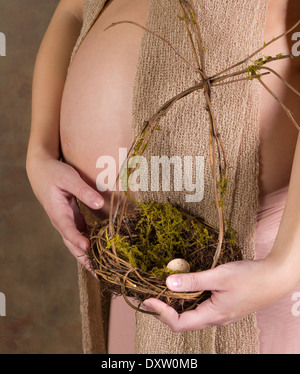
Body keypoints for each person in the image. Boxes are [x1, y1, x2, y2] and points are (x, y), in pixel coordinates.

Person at [26, 0, 300, 354]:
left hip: (262, 266)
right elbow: (73, 11)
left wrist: (285, 267)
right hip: (129, 267)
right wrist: (39, 151)